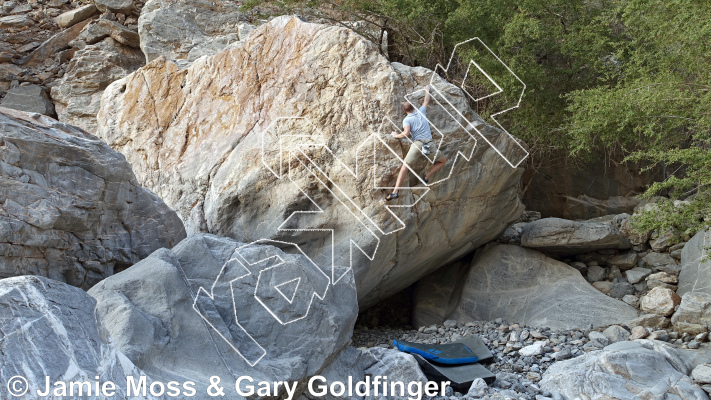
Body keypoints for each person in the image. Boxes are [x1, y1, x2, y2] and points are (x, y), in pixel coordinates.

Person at [386, 85, 447, 201]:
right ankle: (426, 176)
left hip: (417, 145)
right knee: (443, 161)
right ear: (414, 107)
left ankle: (395, 192)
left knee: (405, 167)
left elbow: (406, 133)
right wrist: (427, 90)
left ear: (404, 111)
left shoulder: (407, 119)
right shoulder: (421, 111)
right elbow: (426, 100)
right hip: (428, 145)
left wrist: (395, 135)